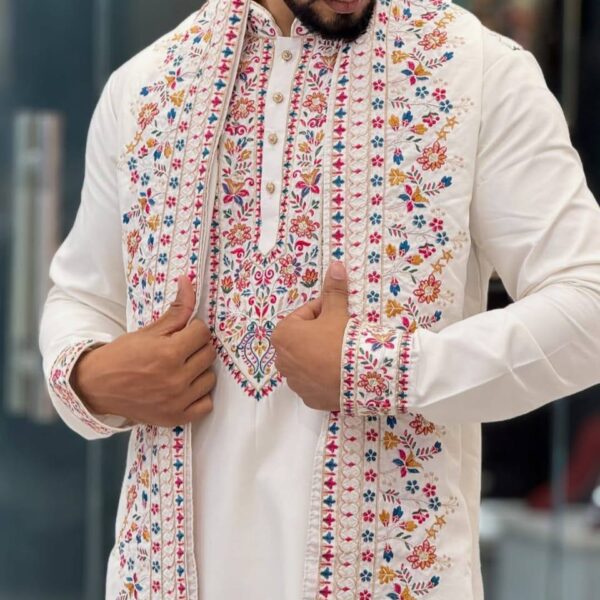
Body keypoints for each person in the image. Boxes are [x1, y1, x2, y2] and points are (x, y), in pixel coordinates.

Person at [38, 0, 600, 598]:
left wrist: (377, 369)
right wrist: (90, 377)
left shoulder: (476, 71)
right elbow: (81, 295)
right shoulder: (146, 87)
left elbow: (587, 302)